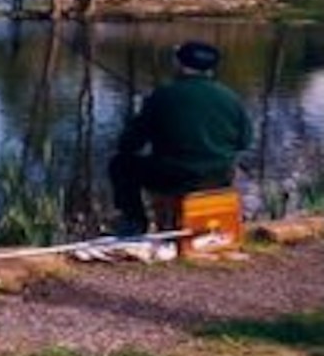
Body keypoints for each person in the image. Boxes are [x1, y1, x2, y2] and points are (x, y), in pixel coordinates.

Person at [108, 41, 252, 236]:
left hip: (173, 176)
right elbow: (244, 142)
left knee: (120, 164)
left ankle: (134, 222)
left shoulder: (162, 95)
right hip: (218, 177)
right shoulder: (231, 98)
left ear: (179, 64)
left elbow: (129, 145)